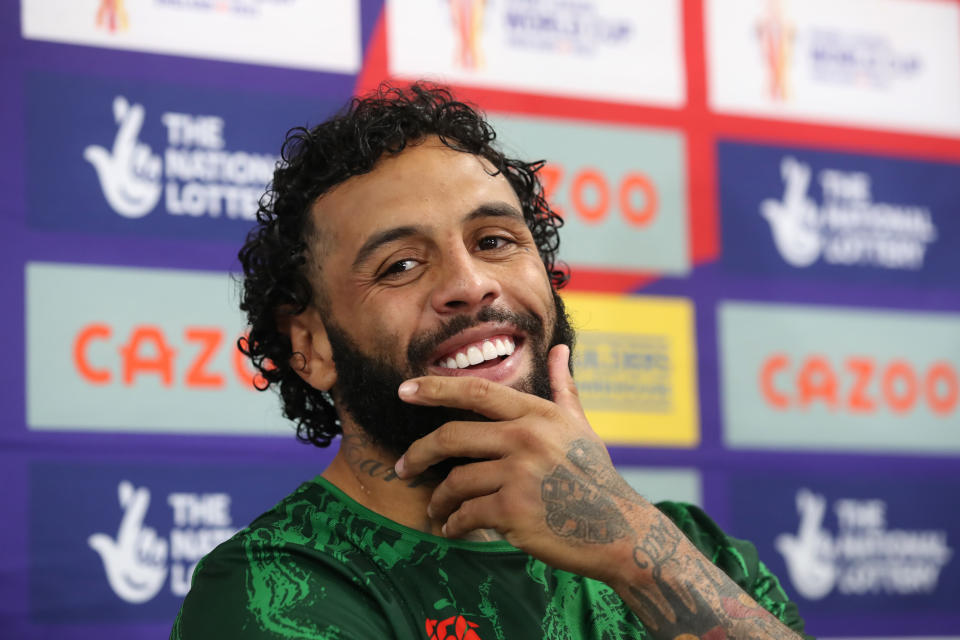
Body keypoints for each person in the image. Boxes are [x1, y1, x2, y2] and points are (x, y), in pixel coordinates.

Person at [171, 84, 812, 640]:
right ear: (310, 346)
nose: (471, 282)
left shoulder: (690, 550)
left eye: (495, 241)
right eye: (400, 264)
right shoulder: (275, 588)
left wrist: (628, 545)